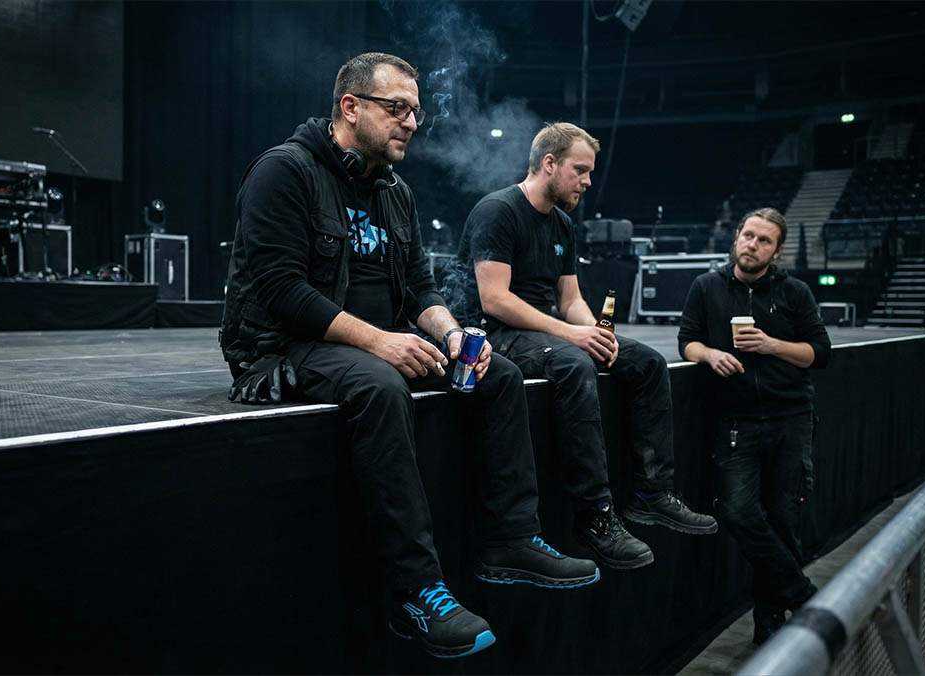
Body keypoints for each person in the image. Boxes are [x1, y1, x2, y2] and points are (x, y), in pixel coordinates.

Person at [219, 53, 597, 660]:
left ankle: (510, 539)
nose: (411, 123)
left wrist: (450, 334)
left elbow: (421, 288)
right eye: (397, 109)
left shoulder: (395, 192)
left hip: (381, 335)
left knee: (494, 372)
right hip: (284, 346)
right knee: (381, 385)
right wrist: (378, 340)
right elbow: (281, 291)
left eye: (416, 112)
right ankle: (415, 589)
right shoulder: (283, 172)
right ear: (351, 107)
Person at [457, 122, 718, 571]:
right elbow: (494, 299)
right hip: (492, 332)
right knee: (575, 363)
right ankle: (595, 517)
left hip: (543, 330)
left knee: (647, 361)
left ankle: (652, 493)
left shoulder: (562, 223)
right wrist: (572, 335)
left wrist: (598, 331)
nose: (588, 181)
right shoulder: (498, 211)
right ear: (549, 164)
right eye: (580, 170)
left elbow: (571, 301)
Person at [678, 206, 831, 644]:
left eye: (764, 240)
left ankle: (769, 627)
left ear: (776, 250)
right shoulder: (706, 286)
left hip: (790, 419)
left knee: (784, 520)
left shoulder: (795, 292)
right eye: (748, 236)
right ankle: (801, 594)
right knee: (739, 513)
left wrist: (772, 345)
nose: (753, 245)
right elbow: (686, 340)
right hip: (736, 422)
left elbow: (820, 354)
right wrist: (708, 354)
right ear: (736, 238)